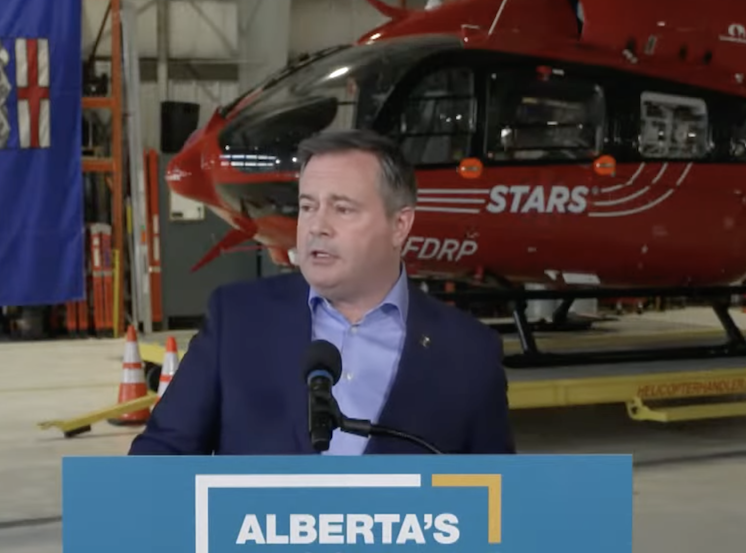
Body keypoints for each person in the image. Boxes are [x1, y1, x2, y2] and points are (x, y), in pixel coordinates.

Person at [128, 128, 515, 456]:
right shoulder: (239, 320)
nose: (317, 226)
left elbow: (500, 506)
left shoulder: (469, 353)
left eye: (342, 209)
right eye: (308, 207)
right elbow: (158, 461)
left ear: (400, 225)